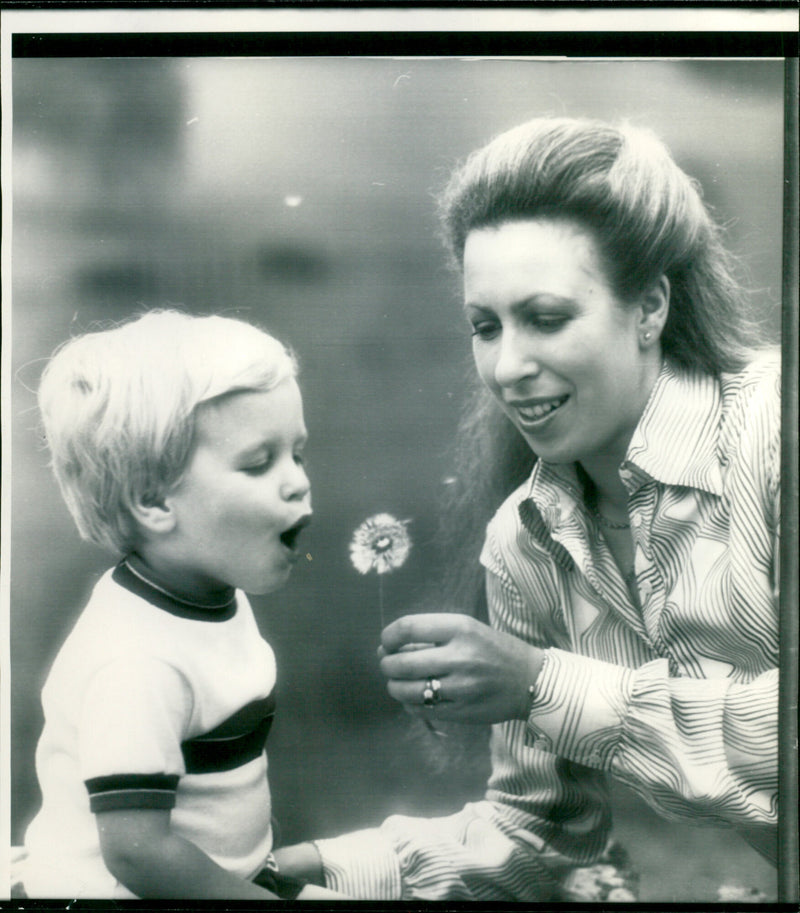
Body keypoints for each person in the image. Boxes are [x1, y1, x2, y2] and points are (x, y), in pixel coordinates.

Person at [274, 116, 780, 900]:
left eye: (546, 318)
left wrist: (543, 683)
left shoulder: (772, 432)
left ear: (650, 307)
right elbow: (537, 833)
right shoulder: (526, 537)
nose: (507, 367)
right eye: (486, 326)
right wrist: (318, 867)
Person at [20, 310, 345, 900]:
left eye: (296, 454)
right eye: (258, 462)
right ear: (153, 500)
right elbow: (136, 854)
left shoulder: (210, 595)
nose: (298, 481)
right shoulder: (136, 660)